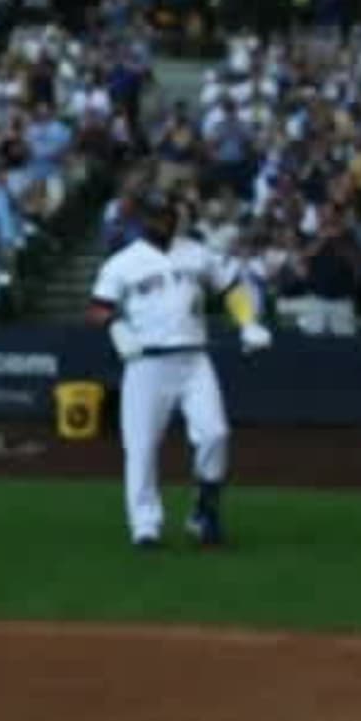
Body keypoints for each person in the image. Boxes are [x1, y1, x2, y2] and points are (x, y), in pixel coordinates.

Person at [89, 192, 265, 550]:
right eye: (156, 217)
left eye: (168, 215)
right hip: (146, 363)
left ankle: (205, 511)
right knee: (141, 448)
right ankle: (145, 525)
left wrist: (247, 322)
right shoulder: (124, 262)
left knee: (215, 433)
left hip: (193, 358)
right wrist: (117, 328)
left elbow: (231, 286)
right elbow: (98, 308)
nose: (163, 222)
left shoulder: (196, 253)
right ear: (143, 220)